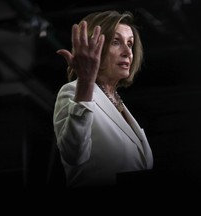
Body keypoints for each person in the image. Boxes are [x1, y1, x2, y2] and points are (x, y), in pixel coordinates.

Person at [53, 10, 153, 188]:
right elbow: (73, 155)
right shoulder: (72, 91)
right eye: (116, 42)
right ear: (92, 47)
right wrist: (85, 81)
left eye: (130, 44)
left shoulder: (117, 102)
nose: (127, 52)